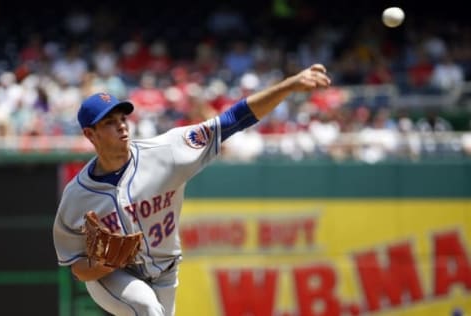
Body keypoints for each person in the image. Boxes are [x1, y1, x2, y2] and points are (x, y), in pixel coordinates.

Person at [52, 63, 331, 316]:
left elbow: (233, 119)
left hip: (165, 273)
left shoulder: (167, 152)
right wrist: (106, 266)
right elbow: (77, 268)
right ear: (90, 135)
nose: (122, 127)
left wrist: (290, 85)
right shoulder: (77, 196)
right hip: (112, 277)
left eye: (122, 119)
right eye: (109, 123)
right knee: (148, 309)